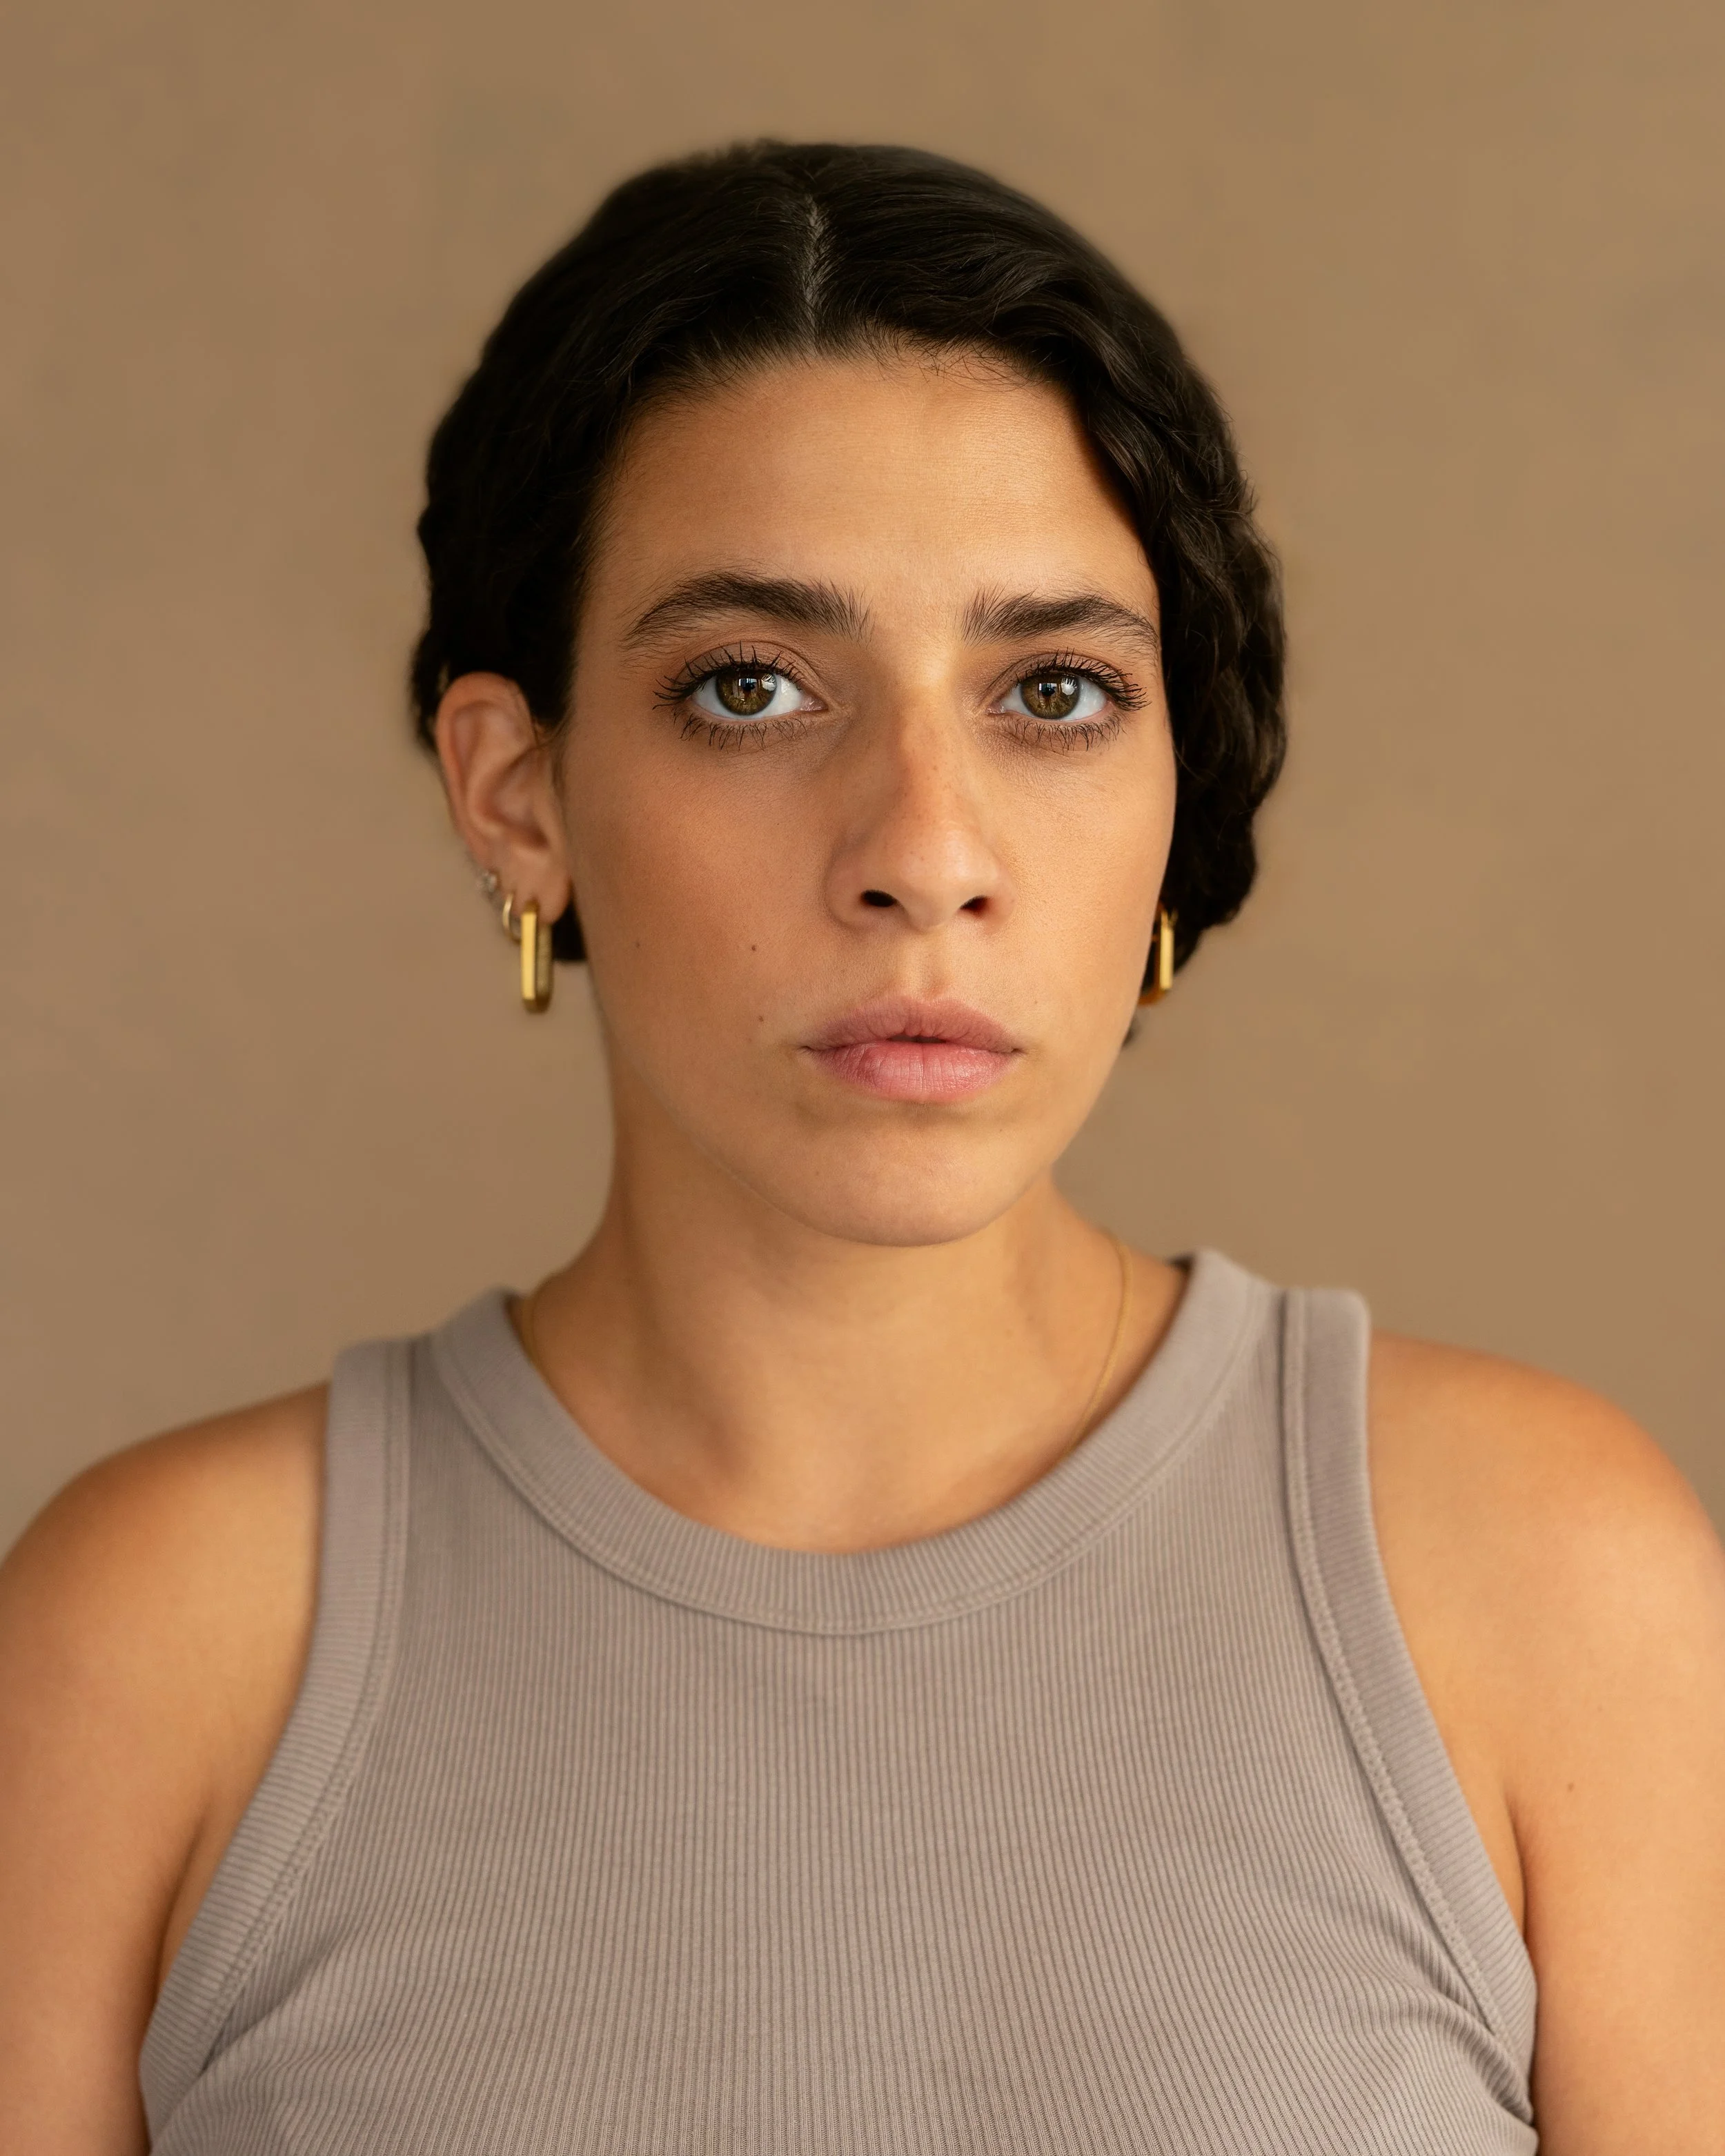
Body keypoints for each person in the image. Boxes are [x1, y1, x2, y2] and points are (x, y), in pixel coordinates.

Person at [1, 141, 1722, 2156]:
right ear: (517, 788)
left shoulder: (1545, 1583)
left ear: (1182, 784)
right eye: (751, 687)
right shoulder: (158, 1636)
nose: (922, 848)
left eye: (1055, 692)